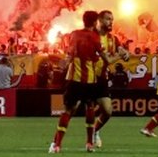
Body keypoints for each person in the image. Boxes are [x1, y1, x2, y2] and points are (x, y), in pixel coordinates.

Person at [49, 10, 107, 154]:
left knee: (68, 111)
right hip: (89, 79)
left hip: (74, 78)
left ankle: (57, 145)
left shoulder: (74, 34)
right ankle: (89, 143)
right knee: (90, 108)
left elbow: (70, 54)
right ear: (95, 22)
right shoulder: (95, 37)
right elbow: (97, 58)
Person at [90, 10, 130, 149]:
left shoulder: (113, 39)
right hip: (85, 77)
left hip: (101, 78)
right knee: (72, 110)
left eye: (112, 19)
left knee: (107, 111)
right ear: (99, 21)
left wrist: (125, 54)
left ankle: (95, 131)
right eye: (108, 19)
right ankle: (56, 143)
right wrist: (121, 56)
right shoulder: (91, 36)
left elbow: (122, 51)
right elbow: (109, 59)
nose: (111, 22)